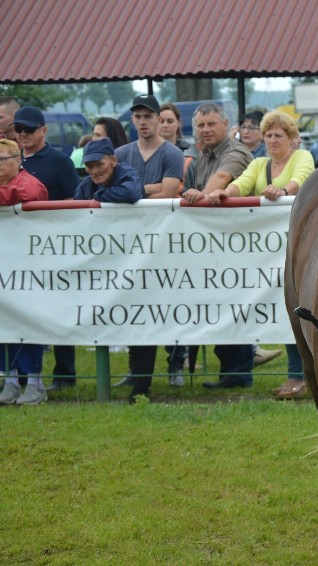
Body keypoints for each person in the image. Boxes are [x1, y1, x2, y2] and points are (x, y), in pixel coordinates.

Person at [204, 110, 315, 399]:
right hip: (262, 256)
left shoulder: (301, 157)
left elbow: (301, 180)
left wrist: (282, 190)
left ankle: (298, 375)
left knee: (295, 309)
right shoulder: (259, 163)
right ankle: (242, 369)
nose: (272, 140)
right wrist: (224, 193)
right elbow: (241, 182)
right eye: (268, 135)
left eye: (279, 135)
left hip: (296, 248)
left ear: (292, 139)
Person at [111, 95, 186, 398]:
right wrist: (144, 190)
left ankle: (174, 365)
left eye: (148, 116)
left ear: (158, 119)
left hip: (161, 240)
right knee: (131, 307)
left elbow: (170, 191)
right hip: (126, 241)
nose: (143, 122)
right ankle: (136, 372)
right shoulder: (121, 152)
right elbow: (110, 189)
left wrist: (130, 192)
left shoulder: (171, 153)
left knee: (163, 307)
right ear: (133, 120)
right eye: (138, 117)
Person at [182, 103, 255, 389]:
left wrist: (200, 194)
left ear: (226, 125)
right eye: (200, 125)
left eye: (211, 124)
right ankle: (230, 371)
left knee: (235, 306)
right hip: (212, 245)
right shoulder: (201, 155)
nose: (205, 130)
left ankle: (238, 372)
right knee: (219, 306)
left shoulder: (234, 152)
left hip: (237, 245)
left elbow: (221, 180)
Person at [14, 106, 79, 391]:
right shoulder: (8, 159)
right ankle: (19, 376)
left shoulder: (60, 161)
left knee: (59, 311)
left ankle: (64, 374)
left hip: (53, 246)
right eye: (19, 130)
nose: (24, 135)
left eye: (29, 129)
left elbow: (74, 202)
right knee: (18, 311)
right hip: (16, 249)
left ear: (44, 130)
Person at [0, 139, 49, 405]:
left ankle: (34, 382)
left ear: (17, 160)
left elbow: (31, 196)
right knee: (3, 322)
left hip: (28, 267)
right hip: (4, 266)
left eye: (1, 160)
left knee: (28, 322)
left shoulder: (29, 182)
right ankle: (9, 380)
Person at [75, 138, 144, 203]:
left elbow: (131, 193)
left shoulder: (125, 172)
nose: (94, 171)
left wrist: (97, 196)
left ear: (113, 161)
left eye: (99, 164)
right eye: (89, 166)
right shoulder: (86, 184)